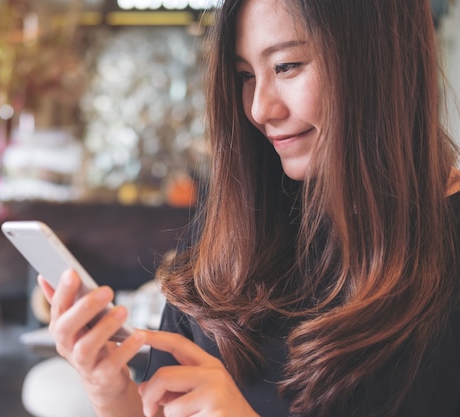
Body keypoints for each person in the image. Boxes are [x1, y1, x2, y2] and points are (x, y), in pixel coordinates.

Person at [38, 0, 460, 415]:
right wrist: (113, 397)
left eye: (286, 66)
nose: (260, 109)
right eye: (244, 75)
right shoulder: (236, 241)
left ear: (380, 57)